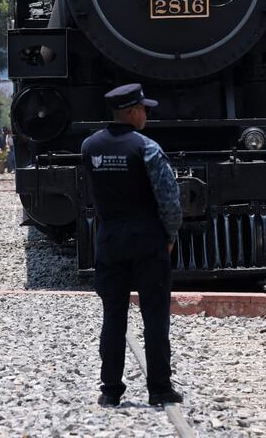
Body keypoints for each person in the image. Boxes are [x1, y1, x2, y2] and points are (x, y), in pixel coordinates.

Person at [81, 84, 183, 407]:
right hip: (147, 239)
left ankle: (110, 389)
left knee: (113, 316)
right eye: (143, 109)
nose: (146, 114)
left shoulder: (89, 147)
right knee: (154, 316)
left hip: (109, 238)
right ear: (132, 112)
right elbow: (169, 200)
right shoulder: (147, 147)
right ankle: (159, 388)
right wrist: (170, 235)